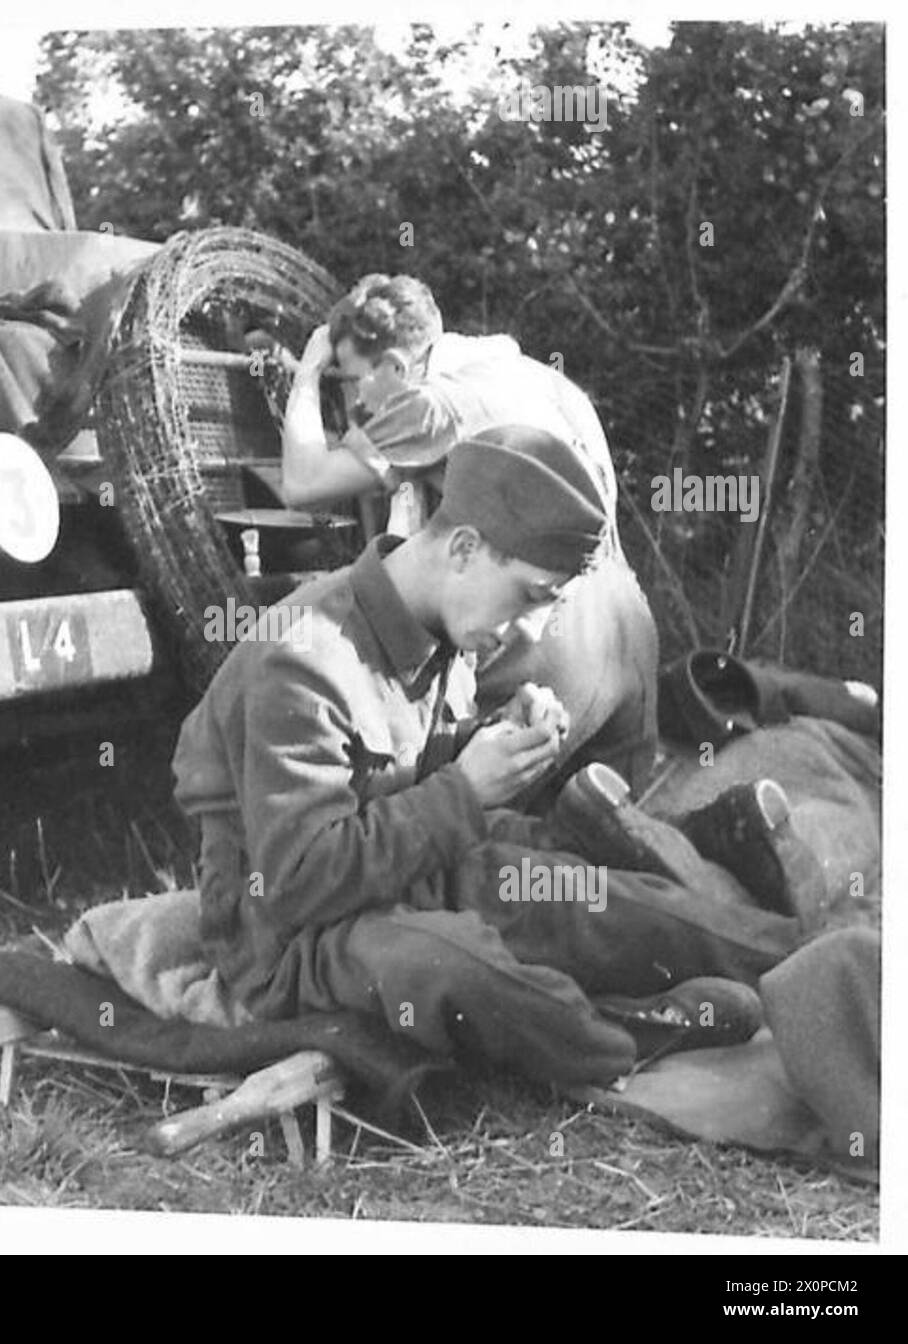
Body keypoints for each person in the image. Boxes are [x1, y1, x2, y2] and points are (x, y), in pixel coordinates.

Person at [173, 425, 802, 1086]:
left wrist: (494, 742)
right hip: (290, 938)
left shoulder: (440, 623)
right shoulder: (301, 660)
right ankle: (629, 1039)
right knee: (452, 966)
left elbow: (405, 772)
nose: (531, 627)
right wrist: (467, 792)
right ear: (466, 548)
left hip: (408, 869)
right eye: (530, 595)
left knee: (582, 898)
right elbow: (298, 882)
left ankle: (808, 961)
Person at [280, 273, 656, 800]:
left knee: (472, 833)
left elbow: (303, 483)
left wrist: (308, 373)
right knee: (618, 843)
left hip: (548, 633)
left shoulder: (430, 404)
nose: (359, 403)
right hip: (627, 623)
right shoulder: (519, 370)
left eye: (355, 379)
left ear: (395, 367)